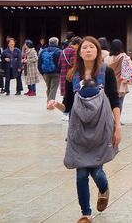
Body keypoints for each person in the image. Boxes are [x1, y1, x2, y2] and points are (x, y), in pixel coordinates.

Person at [47, 36, 121, 222]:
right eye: (84, 47)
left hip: (101, 127)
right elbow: (68, 105)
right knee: (81, 174)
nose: (88, 50)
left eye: (91, 47)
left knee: (96, 171)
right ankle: (86, 214)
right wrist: (55, 104)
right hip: (79, 128)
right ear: (79, 52)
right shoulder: (72, 75)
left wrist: (117, 127)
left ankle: (103, 188)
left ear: (97, 50)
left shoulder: (106, 72)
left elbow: (114, 100)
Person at [104, 39, 132, 115]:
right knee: (119, 102)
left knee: (110, 101)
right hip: (120, 82)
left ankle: (110, 118)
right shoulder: (124, 57)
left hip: (109, 82)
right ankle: (117, 119)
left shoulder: (107, 58)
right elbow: (129, 68)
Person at [61, 37, 82, 120]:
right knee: (73, 94)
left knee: (67, 94)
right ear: (76, 44)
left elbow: (59, 63)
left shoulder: (63, 51)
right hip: (73, 75)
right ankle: (68, 113)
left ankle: (65, 113)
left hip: (64, 75)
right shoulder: (74, 51)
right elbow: (74, 63)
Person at [38, 37, 62, 102]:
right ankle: (50, 103)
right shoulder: (59, 51)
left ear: (49, 43)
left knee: (48, 87)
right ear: (57, 42)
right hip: (56, 73)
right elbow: (61, 63)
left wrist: (42, 72)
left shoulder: (43, 51)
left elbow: (39, 62)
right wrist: (60, 72)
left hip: (46, 73)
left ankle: (49, 101)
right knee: (53, 88)